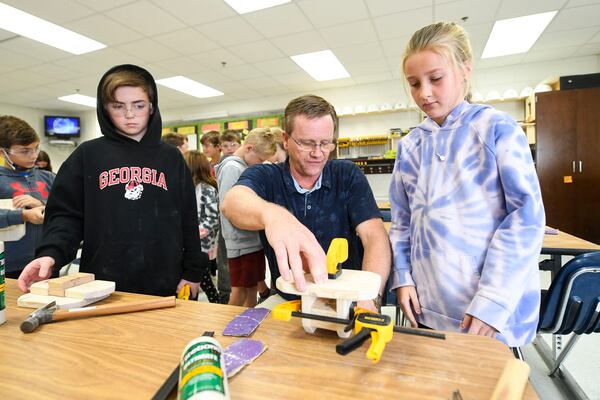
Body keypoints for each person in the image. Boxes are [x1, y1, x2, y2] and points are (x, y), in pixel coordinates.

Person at [389, 22, 545, 347]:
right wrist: (402, 277)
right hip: (428, 304)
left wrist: (492, 301)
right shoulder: (409, 146)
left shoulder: (496, 128)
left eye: (436, 78)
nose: (424, 93)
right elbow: (402, 223)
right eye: (414, 83)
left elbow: (525, 219)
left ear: (464, 70)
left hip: (485, 310)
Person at [18, 64, 217, 301]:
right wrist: (50, 254)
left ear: (152, 107)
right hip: (101, 284)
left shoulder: (171, 157)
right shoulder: (88, 155)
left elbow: (187, 218)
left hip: (166, 282)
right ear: (105, 109)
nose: (130, 114)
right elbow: (65, 216)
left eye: (139, 105)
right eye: (118, 106)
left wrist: (193, 271)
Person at [221, 95, 391, 311]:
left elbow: (374, 236)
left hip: (347, 301)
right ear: (285, 140)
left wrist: (368, 298)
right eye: (307, 143)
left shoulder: (346, 174)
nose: (318, 153)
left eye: (326, 143)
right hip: (289, 299)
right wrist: (273, 215)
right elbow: (232, 202)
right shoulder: (266, 176)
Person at [216, 128, 279, 307]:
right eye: (260, 160)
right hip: (241, 241)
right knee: (240, 291)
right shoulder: (232, 168)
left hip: (250, 240)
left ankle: (247, 326)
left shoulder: (243, 166)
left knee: (251, 288)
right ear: (249, 148)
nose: (259, 164)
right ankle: (226, 329)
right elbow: (229, 208)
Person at [0, 115, 53, 278]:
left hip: (47, 261)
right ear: (3, 152)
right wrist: (23, 215)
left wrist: (42, 204)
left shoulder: (49, 178)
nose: (33, 155)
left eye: (36, 148)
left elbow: (70, 210)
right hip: (9, 266)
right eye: (25, 151)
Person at [183, 150, 220, 303]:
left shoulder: (206, 189)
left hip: (202, 247)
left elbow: (212, 218)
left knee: (203, 281)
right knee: (199, 281)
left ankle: (216, 303)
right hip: (190, 246)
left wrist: (192, 235)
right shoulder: (189, 187)